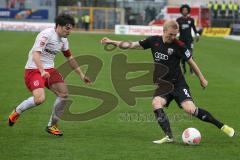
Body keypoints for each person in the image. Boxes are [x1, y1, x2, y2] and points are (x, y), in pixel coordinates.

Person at [100, 20, 235, 144]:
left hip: (178, 84)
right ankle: (169, 136)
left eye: (175, 34)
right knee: (156, 103)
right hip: (163, 85)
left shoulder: (179, 46)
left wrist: (202, 78)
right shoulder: (154, 41)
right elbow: (132, 45)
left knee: (190, 109)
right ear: (164, 31)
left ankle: (222, 126)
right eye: (171, 34)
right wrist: (112, 41)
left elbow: (191, 62)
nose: (173, 37)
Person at [8, 14, 91, 136]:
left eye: (71, 28)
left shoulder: (64, 40)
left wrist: (82, 75)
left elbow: (70, 58)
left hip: (49, 70)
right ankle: (17, 111)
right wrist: (42, 71)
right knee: (40, 99)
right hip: (34, 69)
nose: (69, 31)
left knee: (64, 94)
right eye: (67, 28)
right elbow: (36, 55)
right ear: (58, 26)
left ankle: (52, 125)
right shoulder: (46, 35)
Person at [176, 4, 199, 75]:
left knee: (190, 55)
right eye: (183, 10)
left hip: (189, 40)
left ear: (188, 11)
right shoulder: (178, 20)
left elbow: (194, 29)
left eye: (186, 10)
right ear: (181, 11)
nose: (184, 11)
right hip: (181, 40)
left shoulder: (191, 20)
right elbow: (176, 29)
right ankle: (184, 70)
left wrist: (197, 35)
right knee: (182, 55)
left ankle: (192, 69)